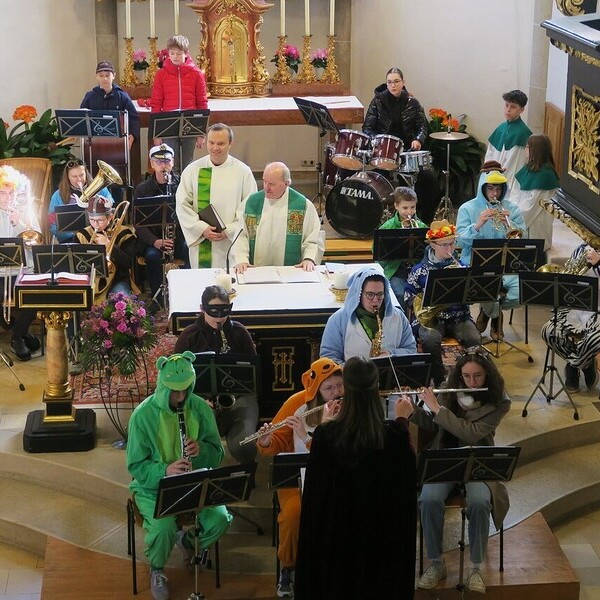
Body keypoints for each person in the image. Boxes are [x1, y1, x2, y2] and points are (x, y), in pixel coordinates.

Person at [294, 356, 417, 600]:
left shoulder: (327, 435)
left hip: (338, 542)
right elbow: (404, 487)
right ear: (375, 388)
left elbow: (316, 495)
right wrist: (403, 419)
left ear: (346, 391)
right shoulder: (394, 435)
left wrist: (326, 425)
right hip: (380, 541)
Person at [126, 351, 232, 600]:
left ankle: (187, 542)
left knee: (220, 520)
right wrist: (165, 470)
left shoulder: (199, 407)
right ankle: (156, 568)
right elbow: (136, 466)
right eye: (175, 392)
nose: (181, 397)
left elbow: (217, 454)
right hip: (153, 489)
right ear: (163, 387)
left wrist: (201, 450)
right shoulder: (142, 415)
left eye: (186, 390)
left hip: (195, 483)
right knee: (163, 529)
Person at [409, 349, 511, 594]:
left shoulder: (499, 401)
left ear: (488, 374)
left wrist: (438, 409)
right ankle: (436, 563)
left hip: (478, 461)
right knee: (428, 499)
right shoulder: (449, 388)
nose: (472, 382)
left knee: (479, 502)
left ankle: (476, 567)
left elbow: (471, 433)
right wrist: (411, 409)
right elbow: (432, 425)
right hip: (445, 458)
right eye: (466, 376)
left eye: (478, 376)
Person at [255, 357, 344, 598]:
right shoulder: (297, 403)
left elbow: (336, 452)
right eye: (329, 388)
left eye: (339, 385)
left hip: (336, 478)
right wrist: (266, 441)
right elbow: (278, 440)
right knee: (294, 513)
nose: (336, 392)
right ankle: (289, 568)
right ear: (315, 390)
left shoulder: (348, 406)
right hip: (297, 479)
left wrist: (306, 436)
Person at [173, 285, 259, 465]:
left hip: (238, 398)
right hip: (200, 400)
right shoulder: (189, 336)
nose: (219, 317)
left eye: (224, 311)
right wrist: (197, 400)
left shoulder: (239, 332)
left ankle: (248, 473)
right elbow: (175, 376)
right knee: (196, 446)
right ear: (202, 308)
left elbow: (254, 374)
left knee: (243, 445)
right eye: (213, 311)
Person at [404, 220, 481, 386]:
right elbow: (408, 295)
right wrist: (421, 304)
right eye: (444, 245)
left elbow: (473, 293)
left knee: (474, 339)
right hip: (432, 319)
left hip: (458, 316)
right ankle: (439, 380)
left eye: (452, 244)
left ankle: (466, 377)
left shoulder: (462, 267)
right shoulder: (419, 270)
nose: (450, 249)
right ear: (432, 245)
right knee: (430, 340)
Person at [456, 170, 527, 340]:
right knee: (487, 288)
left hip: (507, 265)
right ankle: (496, 317)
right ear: (483, 188)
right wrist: (477, 225)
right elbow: (459, 242)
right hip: (476, 264)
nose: (495, 193)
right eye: (490, 188)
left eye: (499, 189)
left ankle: (489, 312)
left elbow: (524, 238)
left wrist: (510, 225)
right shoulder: (467, 208)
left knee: (522, 292)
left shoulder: (512, 209)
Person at [176, 123, 257, 269]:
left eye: (220, 144)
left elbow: (250, 206)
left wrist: (230, 230)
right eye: (211, 142)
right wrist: (201, 228)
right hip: (203, 241)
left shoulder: (242, 171)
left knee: (231, 280)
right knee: (205, 281)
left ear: (230, 143)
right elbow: (182, 205)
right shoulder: (193, 170)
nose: (215, 148)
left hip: (232, 241)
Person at [363, 66, 438, 224]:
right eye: (389, 82)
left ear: (403, 82)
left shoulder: (413, 102)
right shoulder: (377, 102)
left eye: (396, 81)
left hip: (407, 153)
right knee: (376, 182)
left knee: (428, 178)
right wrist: (379, 141)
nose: (393, 85)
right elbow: (367, 128)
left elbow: (422, 126)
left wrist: (418, 140)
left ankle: (423, 221)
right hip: (384, 153)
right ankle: (380, 220)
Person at [233, 162, 323, 273]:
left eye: (271, 184)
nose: (266, 188)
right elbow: (241, 236)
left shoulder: (303, 205)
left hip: (291, 273)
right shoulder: (251, 202)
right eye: (264, 181)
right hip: (255, 271)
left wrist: (309, 259)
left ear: (286, 183)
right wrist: (242, 259)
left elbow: (312, 238)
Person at [319, 266, 416, 363]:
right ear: (359, 294)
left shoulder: (399, 317)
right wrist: (348, 370)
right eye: (370, 294)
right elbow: (328, 357)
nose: (375, 300)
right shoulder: (338, 319)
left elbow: (411, 350)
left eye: (380, 294)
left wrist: (392, 354)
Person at [133, 144, 188, 309]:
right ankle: (158, 298)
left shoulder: (183, 184)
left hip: (178, 237)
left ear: (173, 162)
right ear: (152, 164)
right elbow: (138, 224)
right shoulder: (142, 189)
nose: (164, 165)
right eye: (159, 162)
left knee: (190, 250)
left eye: (167, 161)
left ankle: (186, 293)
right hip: (155, 239)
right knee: (152, 256)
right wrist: (155, 241)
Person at [541, 244, 600, 393]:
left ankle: (573, 366)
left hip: (598, 310)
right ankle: (586, 364)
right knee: (549, 331)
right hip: (576, 307)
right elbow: (569, 279)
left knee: (593, 339)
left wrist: (598, 263)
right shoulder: (581, 249)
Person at [0, 166, 41, 360]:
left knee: (34, 295)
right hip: (1, 273)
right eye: (3, 193)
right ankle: (19, 331)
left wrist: (19, 224)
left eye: (12, 193)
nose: (8, 198)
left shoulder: (27, 212)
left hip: (24, 271)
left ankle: (17, 336)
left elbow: (36, 243)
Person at [150, 35, 208, 171]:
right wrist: (156, 134)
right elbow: (156, 103)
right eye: (172, 53)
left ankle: (186, 185)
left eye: (179, 53)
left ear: (186, 53)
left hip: (190, 124)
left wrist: (201, 133)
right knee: (171, 162)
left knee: (187, 163)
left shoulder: (196, 73)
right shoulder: (161, 74)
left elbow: (202, 102)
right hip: (169, 124)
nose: (175, 57)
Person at [377, 186, 428, 312]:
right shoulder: (387, 227)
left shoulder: (421, 226)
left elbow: (428, 251)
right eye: (405, 208)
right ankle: (402, 320)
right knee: (400, 294)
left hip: (416, 270)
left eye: (412, 207)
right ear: (396, 206)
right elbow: (378, 256)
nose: (409, 212)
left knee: (428, 292)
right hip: (396, 271)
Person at [75, 196, 139, 296]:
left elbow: (128, 263)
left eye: (100, 220)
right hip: (89, 279)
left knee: (121, 300)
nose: (95, 225)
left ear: (110, 217)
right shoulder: (82, 235)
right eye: (92, 220)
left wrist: (109, 244)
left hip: (117, 279)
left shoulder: (125, 233)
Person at [511, 134, 560, 252]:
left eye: (528, 147)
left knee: (533, 249)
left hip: (536, 223)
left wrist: (514, 219)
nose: (525, 150)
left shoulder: (545, 175)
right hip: (520, 214)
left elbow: (533, 206)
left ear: (537, 150)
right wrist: (512, 209)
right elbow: (515, 192)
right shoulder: (526, 169)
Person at [48, 158, 114, 243]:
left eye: (81, 175)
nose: (79, 179)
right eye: (74, 176)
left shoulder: (101, 190)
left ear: (86, 173)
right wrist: (76, 234)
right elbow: (52, 224)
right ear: (67, 177)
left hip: (99, 236)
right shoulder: (57, 195)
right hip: (70, 240)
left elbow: (112, 210)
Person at [80, 61, 141, 148]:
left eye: (107, 75)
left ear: (114, 76)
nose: (105, 79)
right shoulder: (89, 96)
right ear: (96, 77)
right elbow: (81, 117)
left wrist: (133, 135)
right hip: (94, 143)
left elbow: (133, 118)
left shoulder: (122, 96)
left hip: (117, 143)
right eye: (101, 76)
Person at [485, 89, 532, 190]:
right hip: (493, 176)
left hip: (509, 181)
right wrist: (489, 171)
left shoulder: (522, 133)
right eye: (506, 105)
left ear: (522, 110)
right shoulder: (501, 128)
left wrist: (499, 179)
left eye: (513, 107)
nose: (508, 110)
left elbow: (515, 164)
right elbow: (490, 152)